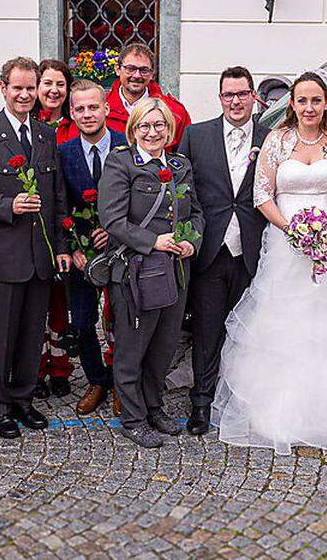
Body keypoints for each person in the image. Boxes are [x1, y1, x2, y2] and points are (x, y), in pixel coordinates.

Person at [212, 71, 327, 455]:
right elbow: (262, 195)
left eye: (316, 100)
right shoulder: (277, 142)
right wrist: (292, 232)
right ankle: (277, 412)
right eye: (302, 100)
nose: (309, 107)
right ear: (292, 103)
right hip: (286, 247)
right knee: (284, 324)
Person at [0, 57, 70, 440]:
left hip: (40, 256)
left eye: (30, 88)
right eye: (17, 88)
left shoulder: (44, 134)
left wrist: (59, 246)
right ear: (3, 88)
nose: (24, 95)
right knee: (2, 337)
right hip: (3, 256)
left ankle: (24, 399)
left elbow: (56, 197)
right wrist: (7, 206)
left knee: (30, 335)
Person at [99, 98, 203, 448]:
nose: (152, 131)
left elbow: (197, 213)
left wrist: (191, 242)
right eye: (144, 125)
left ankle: (154, 407)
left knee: (163, 347)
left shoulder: (179, 165)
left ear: (169, 129)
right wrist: (152, 240)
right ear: (134, 129)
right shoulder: (120, 163)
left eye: (159, 125)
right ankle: (132, 418)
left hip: (175, 271)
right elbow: (112, 219)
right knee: (132, 349)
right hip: (136, 271)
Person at [176, 66, 270, 436]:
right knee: (207, 329)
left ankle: (242, 399)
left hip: (253, 250)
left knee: (248, 331)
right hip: (209, 251)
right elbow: (182, 192)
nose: (235, 101)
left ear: (253, 97)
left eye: (242, 94)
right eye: (229, 95)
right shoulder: (196, 136)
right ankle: (201, 401)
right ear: (220, 98)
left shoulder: (271, 137)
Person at [58, 79, 126, 415]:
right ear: (71, 113)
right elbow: (59, 205)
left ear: (106, 109)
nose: (87, 114)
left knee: (121, 321)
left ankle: (119, 383)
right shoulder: (64, 153)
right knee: (83, 321)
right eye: (80, 109)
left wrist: (115, 236)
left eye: (93, 107)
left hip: (123, 252)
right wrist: (72, 248)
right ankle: (97, 379)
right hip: (82, 256)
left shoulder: (127, 146)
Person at [33, 59, 75, 398]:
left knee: (60, 304)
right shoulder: (27, 124)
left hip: (68, 224)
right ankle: (37, 364)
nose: (53, 90)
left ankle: (61, 367)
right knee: (36, 304)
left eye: (60, 84)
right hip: (35, 226)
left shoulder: (75, 124)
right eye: (47, 83)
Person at [104, 43, 191, 152]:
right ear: (117, 69)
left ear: (152, 73)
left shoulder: (174, 111)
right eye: (130, 69)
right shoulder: (99, 109)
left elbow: (184, 159)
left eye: (144, 70)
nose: (137, 75)